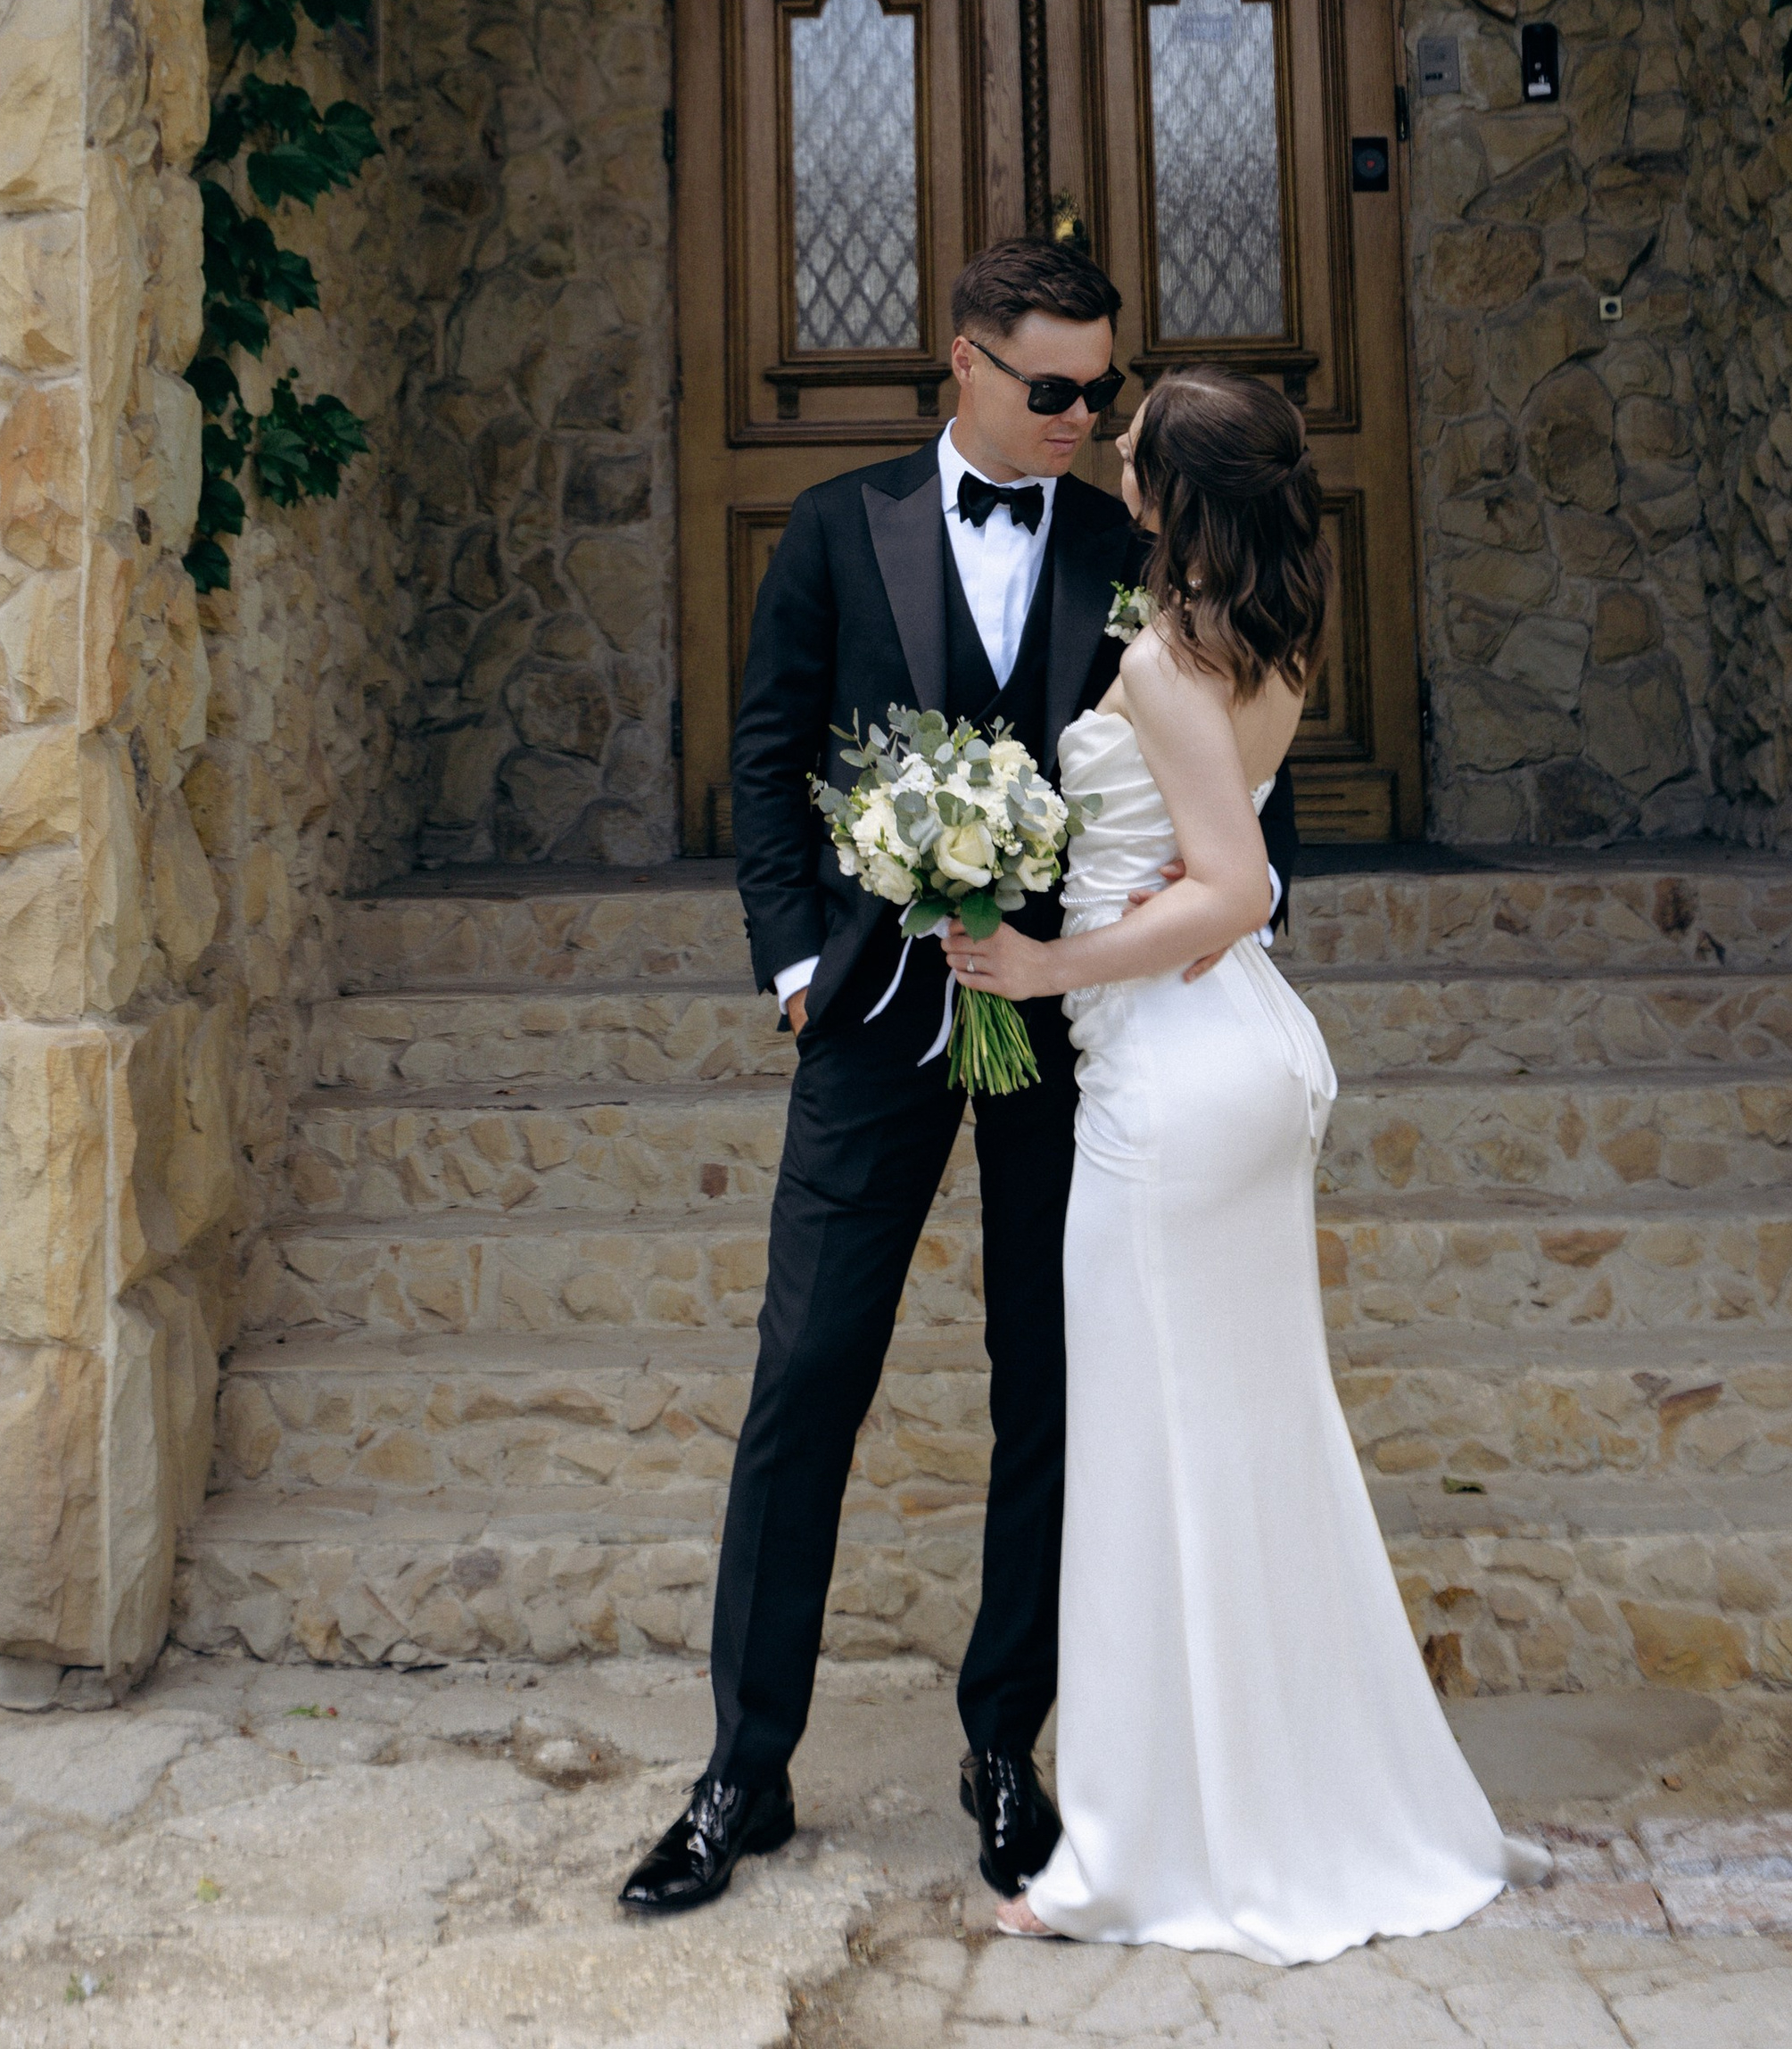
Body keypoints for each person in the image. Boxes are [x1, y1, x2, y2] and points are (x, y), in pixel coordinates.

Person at [619, 244, 1301, 1915]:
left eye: (1101, 389)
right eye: (1051, 386)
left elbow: (1234, 754)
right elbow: (768, 753)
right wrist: (795, 965)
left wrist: (1205, 920)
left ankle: (1010, 1745)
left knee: (1050, 1394)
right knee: (805, 1386)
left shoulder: (1132, 546)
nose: (1082, 416)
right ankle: (742, 1767)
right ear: (966, 367)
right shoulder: (838, 527)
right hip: (866, 1031)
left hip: (1068, 1046)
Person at [944, 367, 1548, 1965]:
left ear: (1176, 495)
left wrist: (1030, 967)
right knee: (1256, 1446)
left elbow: (1235, 889)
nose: (1116, 456)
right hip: (1239, 1070)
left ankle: (1143, 1857)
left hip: (1177, 1087)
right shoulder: (1262, 640)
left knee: (1152, 1464)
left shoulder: (1159, 659)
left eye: (1137, 450)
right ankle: (1300, 1796)